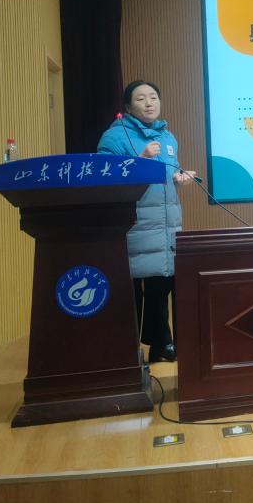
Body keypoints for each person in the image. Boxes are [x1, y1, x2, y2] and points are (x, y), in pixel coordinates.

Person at [97, 80, 196, 363]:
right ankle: (126, 349)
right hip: (135, 222)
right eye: (141, 98)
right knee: (133, 290)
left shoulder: (168, 137)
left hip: (167, 222)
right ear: (128, 107)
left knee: (161, 283)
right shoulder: (114, 137)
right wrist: (141, 158)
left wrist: (179, 178)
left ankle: (161, 344)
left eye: (153, 97)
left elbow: (167, 173)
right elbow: (105, 178)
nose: (149, 103)